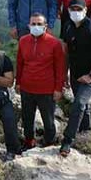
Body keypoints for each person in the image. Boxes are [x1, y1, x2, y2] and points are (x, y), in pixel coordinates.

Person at [60, 0, 91, 157]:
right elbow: (66, 53)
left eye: (79, 9)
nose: (75, 12)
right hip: (75, 74)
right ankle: (87, 137)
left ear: (85, 10)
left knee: (78, 103)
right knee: (84, 106)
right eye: (72, 9)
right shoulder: (67, 27)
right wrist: (65, 74)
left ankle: (67, 141)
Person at [16, 13, 66, 149]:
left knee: (48, 120)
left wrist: (58, 89)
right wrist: (18, 82)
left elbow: (60, 68)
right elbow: (20, 63)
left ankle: (49, 142)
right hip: (27, 88)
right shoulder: (23, 41)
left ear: (45, 26)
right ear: (28, 25)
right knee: (27, 118)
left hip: (47, 90)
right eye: (33, 24)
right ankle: (29, 142)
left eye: (39, 24)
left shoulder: (54, 43)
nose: (36, 26)